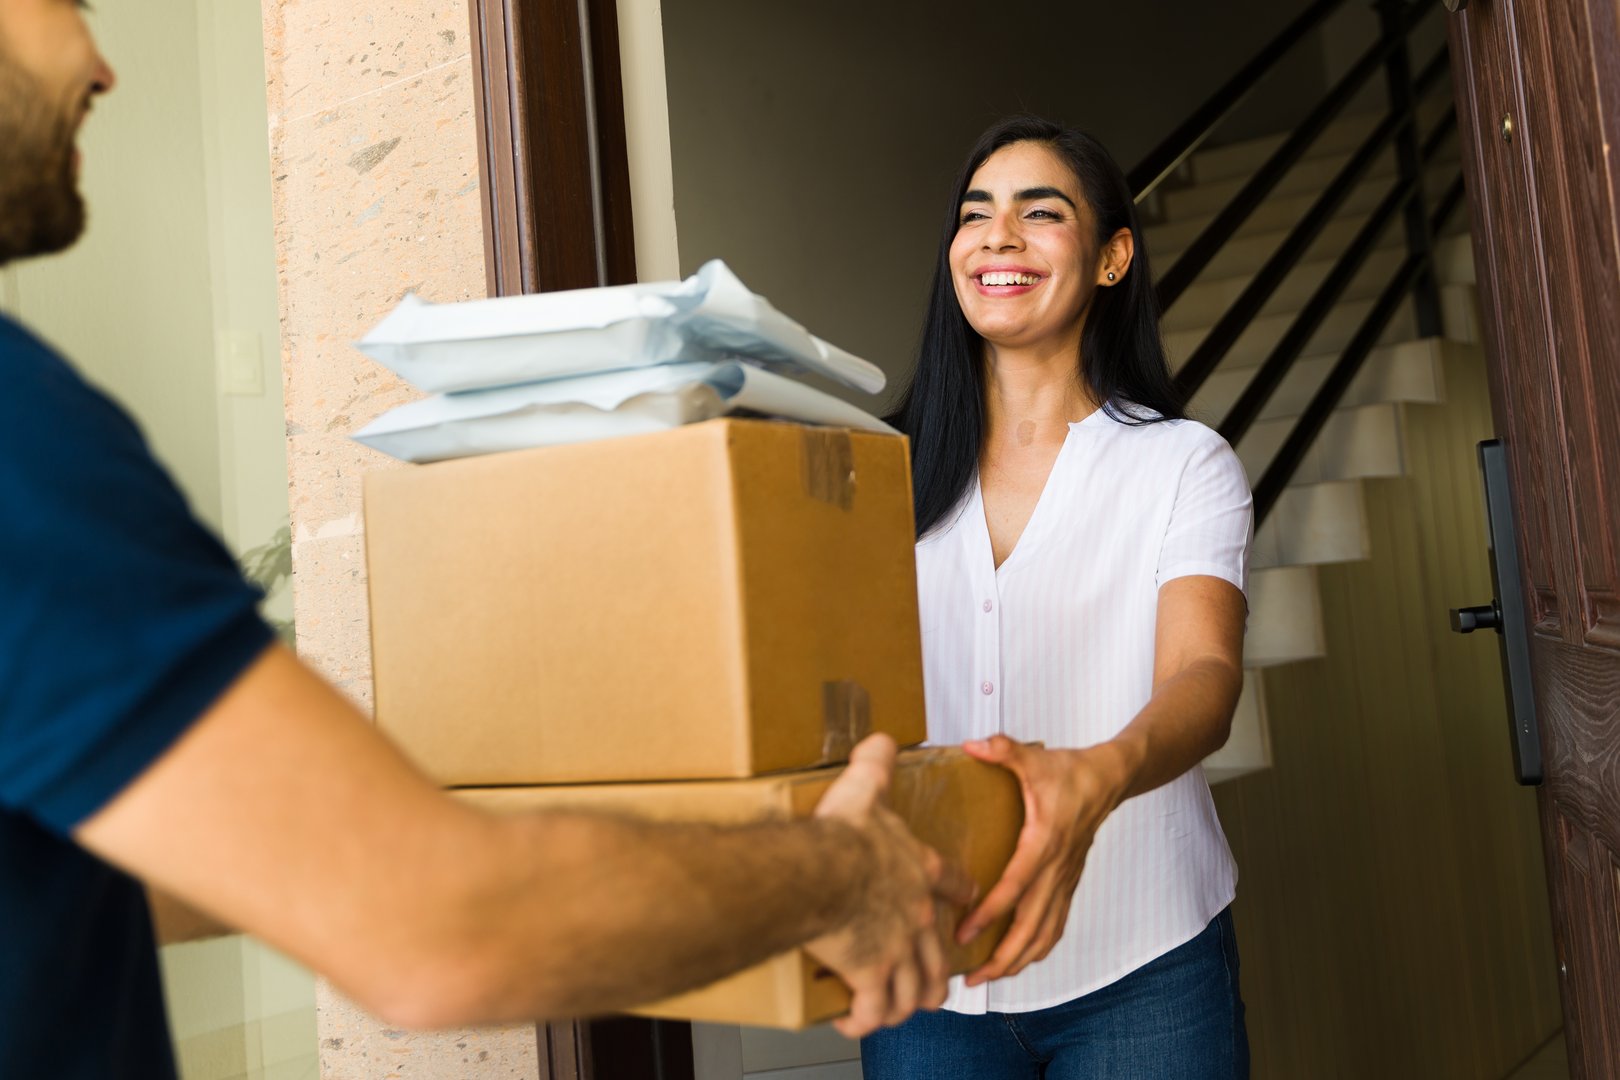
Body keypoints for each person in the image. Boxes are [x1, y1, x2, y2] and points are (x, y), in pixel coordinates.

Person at [0, 3, 974, 1076]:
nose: (101, 67)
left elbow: (93, 863)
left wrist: (406, 846)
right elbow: (434, 932)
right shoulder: (21, 440)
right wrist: (840, 874)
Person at [862, 116, 1253, 1078]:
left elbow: (1203, 673)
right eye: (975, 214)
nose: (998, 236)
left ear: (1113, 257)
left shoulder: (1181, 464)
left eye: (1041, 214)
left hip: (1144, 958)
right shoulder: (872, 474)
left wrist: (1099, 772)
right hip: (926, 971)